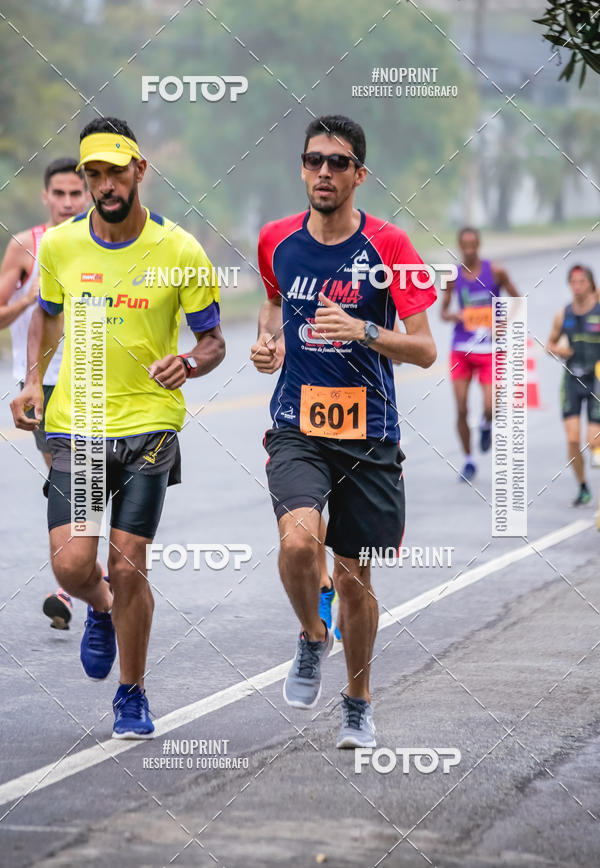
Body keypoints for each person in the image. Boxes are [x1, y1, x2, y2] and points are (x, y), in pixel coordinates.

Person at [11, 117, 225, 739]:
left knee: (130, 566)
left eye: (115, 172)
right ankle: (99, 607)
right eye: (94, 174)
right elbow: (47, 316)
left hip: (149, 430)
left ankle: (132, 694)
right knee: (71, 566)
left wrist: (189, 363)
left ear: (139, 170)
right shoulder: (60, 247)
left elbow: (212, 341)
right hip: (79, 428)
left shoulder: (179, 250)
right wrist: (32, 381)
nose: (105, 184)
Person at [251, 115, 436, 748]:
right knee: (299, 544)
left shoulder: (391, 246)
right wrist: (269, 343)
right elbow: (273, 302)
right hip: (297, 424)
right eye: (313, 161)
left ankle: (358, 701)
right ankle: (312, 635)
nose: (324, 172)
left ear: (360, 174)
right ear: (302, 169)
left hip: (369, 433)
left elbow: (425, 349)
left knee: (355, 577)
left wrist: (363, 330)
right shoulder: (276, 239)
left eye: (338, 162)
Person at [0, 157, 89, 629]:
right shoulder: (25, 246)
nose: (68, 202)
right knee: (66, 477)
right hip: (40, 382)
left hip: (93, 379)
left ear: (88, 195)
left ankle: (74, 584)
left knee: (81, 479)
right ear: (45, 196)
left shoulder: (99, 244)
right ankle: (87, 577)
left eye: (76, 193)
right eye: (60, 193)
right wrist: (31, 297)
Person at [441, 227, 519, 482]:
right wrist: (453, 315)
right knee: (461, 407)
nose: (468, 249)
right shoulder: (452, 276)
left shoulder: (495, 271)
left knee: (489, 406)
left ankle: (486, 425)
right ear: (459, 246)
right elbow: (443, 312)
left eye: (472, 244)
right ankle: (468, 460)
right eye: (464, 245)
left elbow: (517, 300)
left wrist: (502, 323)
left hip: (489, 350)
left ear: (478, 245)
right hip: (461, 349)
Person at [546, 264, 600, 505]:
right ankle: (583, 487)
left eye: (582, 282)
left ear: (591, 284)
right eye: (573, 282)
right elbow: (549, 344)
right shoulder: (563, 314)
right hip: (572, 381)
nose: (577, 287)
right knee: (572, 439)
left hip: (597, 380)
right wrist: (558, 350)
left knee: (594, 440)